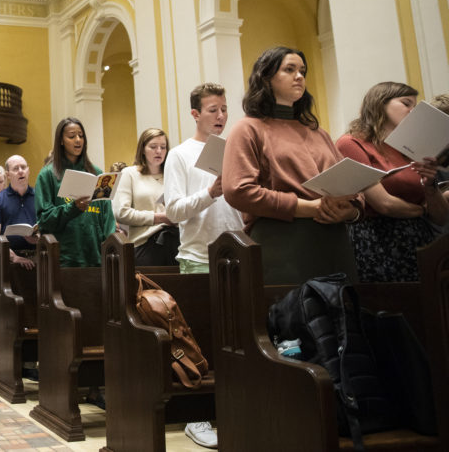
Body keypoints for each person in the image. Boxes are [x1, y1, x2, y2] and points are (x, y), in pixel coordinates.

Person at [222, 46, 363, 285]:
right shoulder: (247, 129)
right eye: (290, 69)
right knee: (295, 318)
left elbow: (353, 186)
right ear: (266, 77)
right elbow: (238, 190)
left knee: (343, 318)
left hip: (335, 243)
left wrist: (352, 210)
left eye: (302, 71)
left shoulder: (318, 133)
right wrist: (309, 207)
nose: (299, 76)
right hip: (284, 245)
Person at [163, 83, 243, 450]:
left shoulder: (235, 152)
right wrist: (210, 193)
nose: (221, 116)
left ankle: (236, 410)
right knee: (201, 341)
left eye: (224, 109)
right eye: (213, 109)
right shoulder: (180, 155)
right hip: (198, 257)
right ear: (195, 114)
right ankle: (198, 416)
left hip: (238, 255)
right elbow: (173, 210)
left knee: (239, 340)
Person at [335, 82, 447, 282]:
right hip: (378, 240)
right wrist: (423, 210)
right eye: (406, 103)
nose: (413, 111)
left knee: (433, 306)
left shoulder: (409, 148)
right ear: (380, 104)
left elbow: (441, 217)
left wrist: (430, 187)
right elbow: (384, 204)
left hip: (422, 241)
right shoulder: (352, 143)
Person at [34, 117, 116, 267]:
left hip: (96, 256)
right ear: (61, 141)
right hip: (65, 257)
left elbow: (108, 217)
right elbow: (44, 220)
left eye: (81, 136)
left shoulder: (96, 173)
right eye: (72, 136)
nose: (78, 140)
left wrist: (109, 246)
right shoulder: (47, 175)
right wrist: (73, 208)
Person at [114, 128, 178, 266]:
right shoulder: (129, 174)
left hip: (176, 241)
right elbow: (121, 213)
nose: (159, 151)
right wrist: (160, 217)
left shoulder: (172, 175)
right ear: (142, 149)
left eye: (163, 147)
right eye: (153, 147)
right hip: (145, 244)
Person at [0, 154, 37, 269]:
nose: (20, 171)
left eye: (23, 167)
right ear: (8, 175)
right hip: (8, 260)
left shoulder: (39, 197)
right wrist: (14, 257)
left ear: (28, 171)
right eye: (15, 168)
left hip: (37, 257)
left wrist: (37, 238)